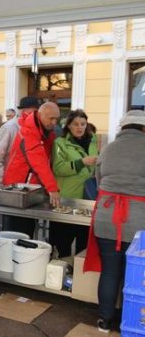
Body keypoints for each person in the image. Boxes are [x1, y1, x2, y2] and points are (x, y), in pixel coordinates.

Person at [84, 110, 145, 333]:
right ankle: (130, 322)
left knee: (110, 271)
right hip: (139, 222)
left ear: (122, 128)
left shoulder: (108, 149)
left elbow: (99, 182)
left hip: (107, 219)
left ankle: (105, 320)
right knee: (135, 274)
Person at [1, 102, 61, 236]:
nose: (54, 122)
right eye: (51, 118)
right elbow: (39, 161)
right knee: (17, 231)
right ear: (40, 115)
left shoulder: (45, 131)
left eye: (56, 118)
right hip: (18, 187)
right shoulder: (29, 131)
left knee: (27, 230)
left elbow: (48, 159)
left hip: (29, 187)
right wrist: (52, 188)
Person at [51, 110, 99, 258]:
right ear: (69, 126)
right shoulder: (60, 143)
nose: (80, 127)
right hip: (66, 199)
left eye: (83, 124)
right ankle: (60, 270)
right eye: (75, 124)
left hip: (86, 198)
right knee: (62, 242)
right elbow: (58, 168)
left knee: (83, 242)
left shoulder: (93, 140)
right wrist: (82, 162)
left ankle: (77, 275)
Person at [0, 96, 40, 181]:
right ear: (22, 111)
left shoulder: (36, 127)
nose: (34, 116)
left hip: (29, 180)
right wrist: (2, 180)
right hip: (11, 181)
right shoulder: (9, 128)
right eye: (31, 112)